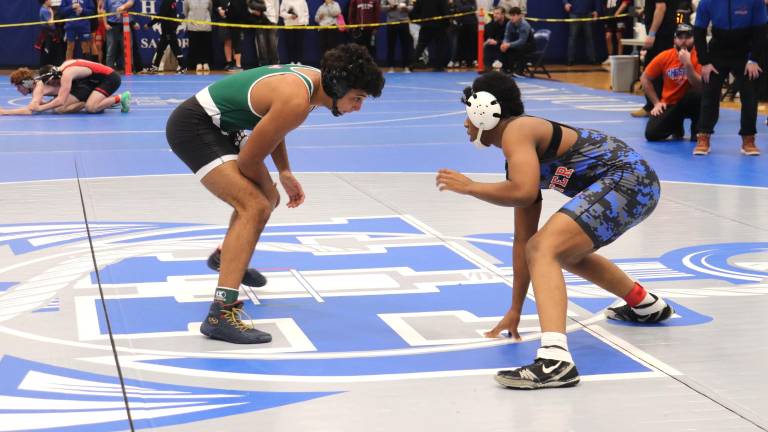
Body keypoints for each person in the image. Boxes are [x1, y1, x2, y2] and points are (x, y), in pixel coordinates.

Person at [436, 72, 674, 389]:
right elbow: (523, 240)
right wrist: (515, 308)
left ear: (483, 109)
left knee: (545, 247)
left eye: (467, 111)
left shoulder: (517, 130)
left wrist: (470, 187)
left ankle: (555, 360)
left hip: (627, 180)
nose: (465, 122)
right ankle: (645, 304)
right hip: (632, 182)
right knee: (555, 250)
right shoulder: (518, 156)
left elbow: (521, 193)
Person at [165, 44, 384, 344]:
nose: (358, 107)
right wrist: (271, 189)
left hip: (226, 126)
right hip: (195, 126)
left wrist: (284, 172)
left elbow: (271, 127)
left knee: (262, 201)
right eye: (356, 98)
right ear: (338, 87)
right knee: (256, 205)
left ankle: (227, 257)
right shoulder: (297, 98)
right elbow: (249, 160)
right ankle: (220, 314)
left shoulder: (314, 84)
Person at [693, 0, 766, 156]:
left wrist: (754, 59)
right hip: (718, 52)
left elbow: (761, 31)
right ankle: (704, 136)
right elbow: (698, 30)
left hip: (745, 52)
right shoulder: (707, 2)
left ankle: (748, 138)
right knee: (709, 94)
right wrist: (704, 62)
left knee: (750, 95)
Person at [641, 23, 702, 141]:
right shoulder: (665, 56)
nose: (684, 41)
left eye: (688, 37)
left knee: (698, 94)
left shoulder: (700, 56)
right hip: (670, 104)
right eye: (680, 37)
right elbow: (645, 78)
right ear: (675, 40)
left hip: (691, 102)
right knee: (652, 134)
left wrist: (688, 65)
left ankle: (697, 130)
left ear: (693, 39)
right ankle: (675, 124)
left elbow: (700, 86)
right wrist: (656, 103)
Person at [0, 62, 130, 115]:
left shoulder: (63, 76)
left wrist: (5, 112)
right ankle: (95, 101)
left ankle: (117, 98)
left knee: (61, 108)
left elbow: (31, 110)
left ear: (26, 84)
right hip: (92, 82)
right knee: (57, 107)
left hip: (107, 79)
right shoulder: (59, 70)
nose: (18, 90)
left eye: (18, 87)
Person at [631, 0, 678, 118]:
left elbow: (661, 8)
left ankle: (652, 106)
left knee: (653, 71)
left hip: (661, 36)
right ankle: (659, 104)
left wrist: (652, 34)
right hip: (664, 33)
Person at [148, 0, 186, 73]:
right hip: (168, 29)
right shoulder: (172, 1)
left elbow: (160, 15)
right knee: (160, 49)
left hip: (168, 30)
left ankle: (183, 66)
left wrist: (150, 24)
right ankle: (155, 67)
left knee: (175, 49)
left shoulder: (167, 2)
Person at [381, 0, 414, 72]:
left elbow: (412, 7)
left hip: (404, 22)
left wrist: (406, 8)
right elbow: (382, 8)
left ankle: (406, 67)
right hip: (391, 23)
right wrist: (390, 7)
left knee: (405, 45)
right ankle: (391, 67)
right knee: (391, 46)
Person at [563, 0, 599, 65]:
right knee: (573, 38)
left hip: (588, 13)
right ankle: (570, 59)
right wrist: (566, 3)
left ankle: (592, 59)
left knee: (589, 38)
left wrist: (596, 10)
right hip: (574, 13)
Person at [501, 7, 534, 74]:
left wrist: (509, 44)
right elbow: (506, 36)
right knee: (504, 48)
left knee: (520, 49)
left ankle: (519, 71)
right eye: (511, 15)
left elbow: (522, 41)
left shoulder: (524, 25)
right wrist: (504, 44)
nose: (512, 17)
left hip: (528, 45)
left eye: (514, 15)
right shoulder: (509, 24)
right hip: (516, 43)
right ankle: (506, 69)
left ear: (520, 15)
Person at [103, 0, 135, 69]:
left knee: (127, 47)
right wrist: (105, 24)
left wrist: (123, 7)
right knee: (111, 48)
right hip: (112, 25)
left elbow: (131, 2)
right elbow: (104, 11)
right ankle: (109, 69)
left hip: (126, 24)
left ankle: (127, 68)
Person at [185, 0, 213, 72]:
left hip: (206, 26)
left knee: (206, 45)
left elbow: (210, 10)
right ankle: (198, 63)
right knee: (195, 45)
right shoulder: (187, 0)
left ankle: (206, 63)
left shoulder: (209, 0)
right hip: (193, 26)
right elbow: (186, 11)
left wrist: (206, 22)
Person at [482, 7, 509, 72]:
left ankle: (503, 68)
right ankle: (488, 68)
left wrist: (497, 42)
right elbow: (490, 36)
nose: (495, 15)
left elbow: (509, 38)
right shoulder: (493, 23)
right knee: (488, 46)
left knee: (501, 47)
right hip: (497, 44)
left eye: (497, 13)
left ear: (503, 14)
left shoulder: (509, 23)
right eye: (494, 13)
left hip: (507, 44)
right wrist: (489, 41)